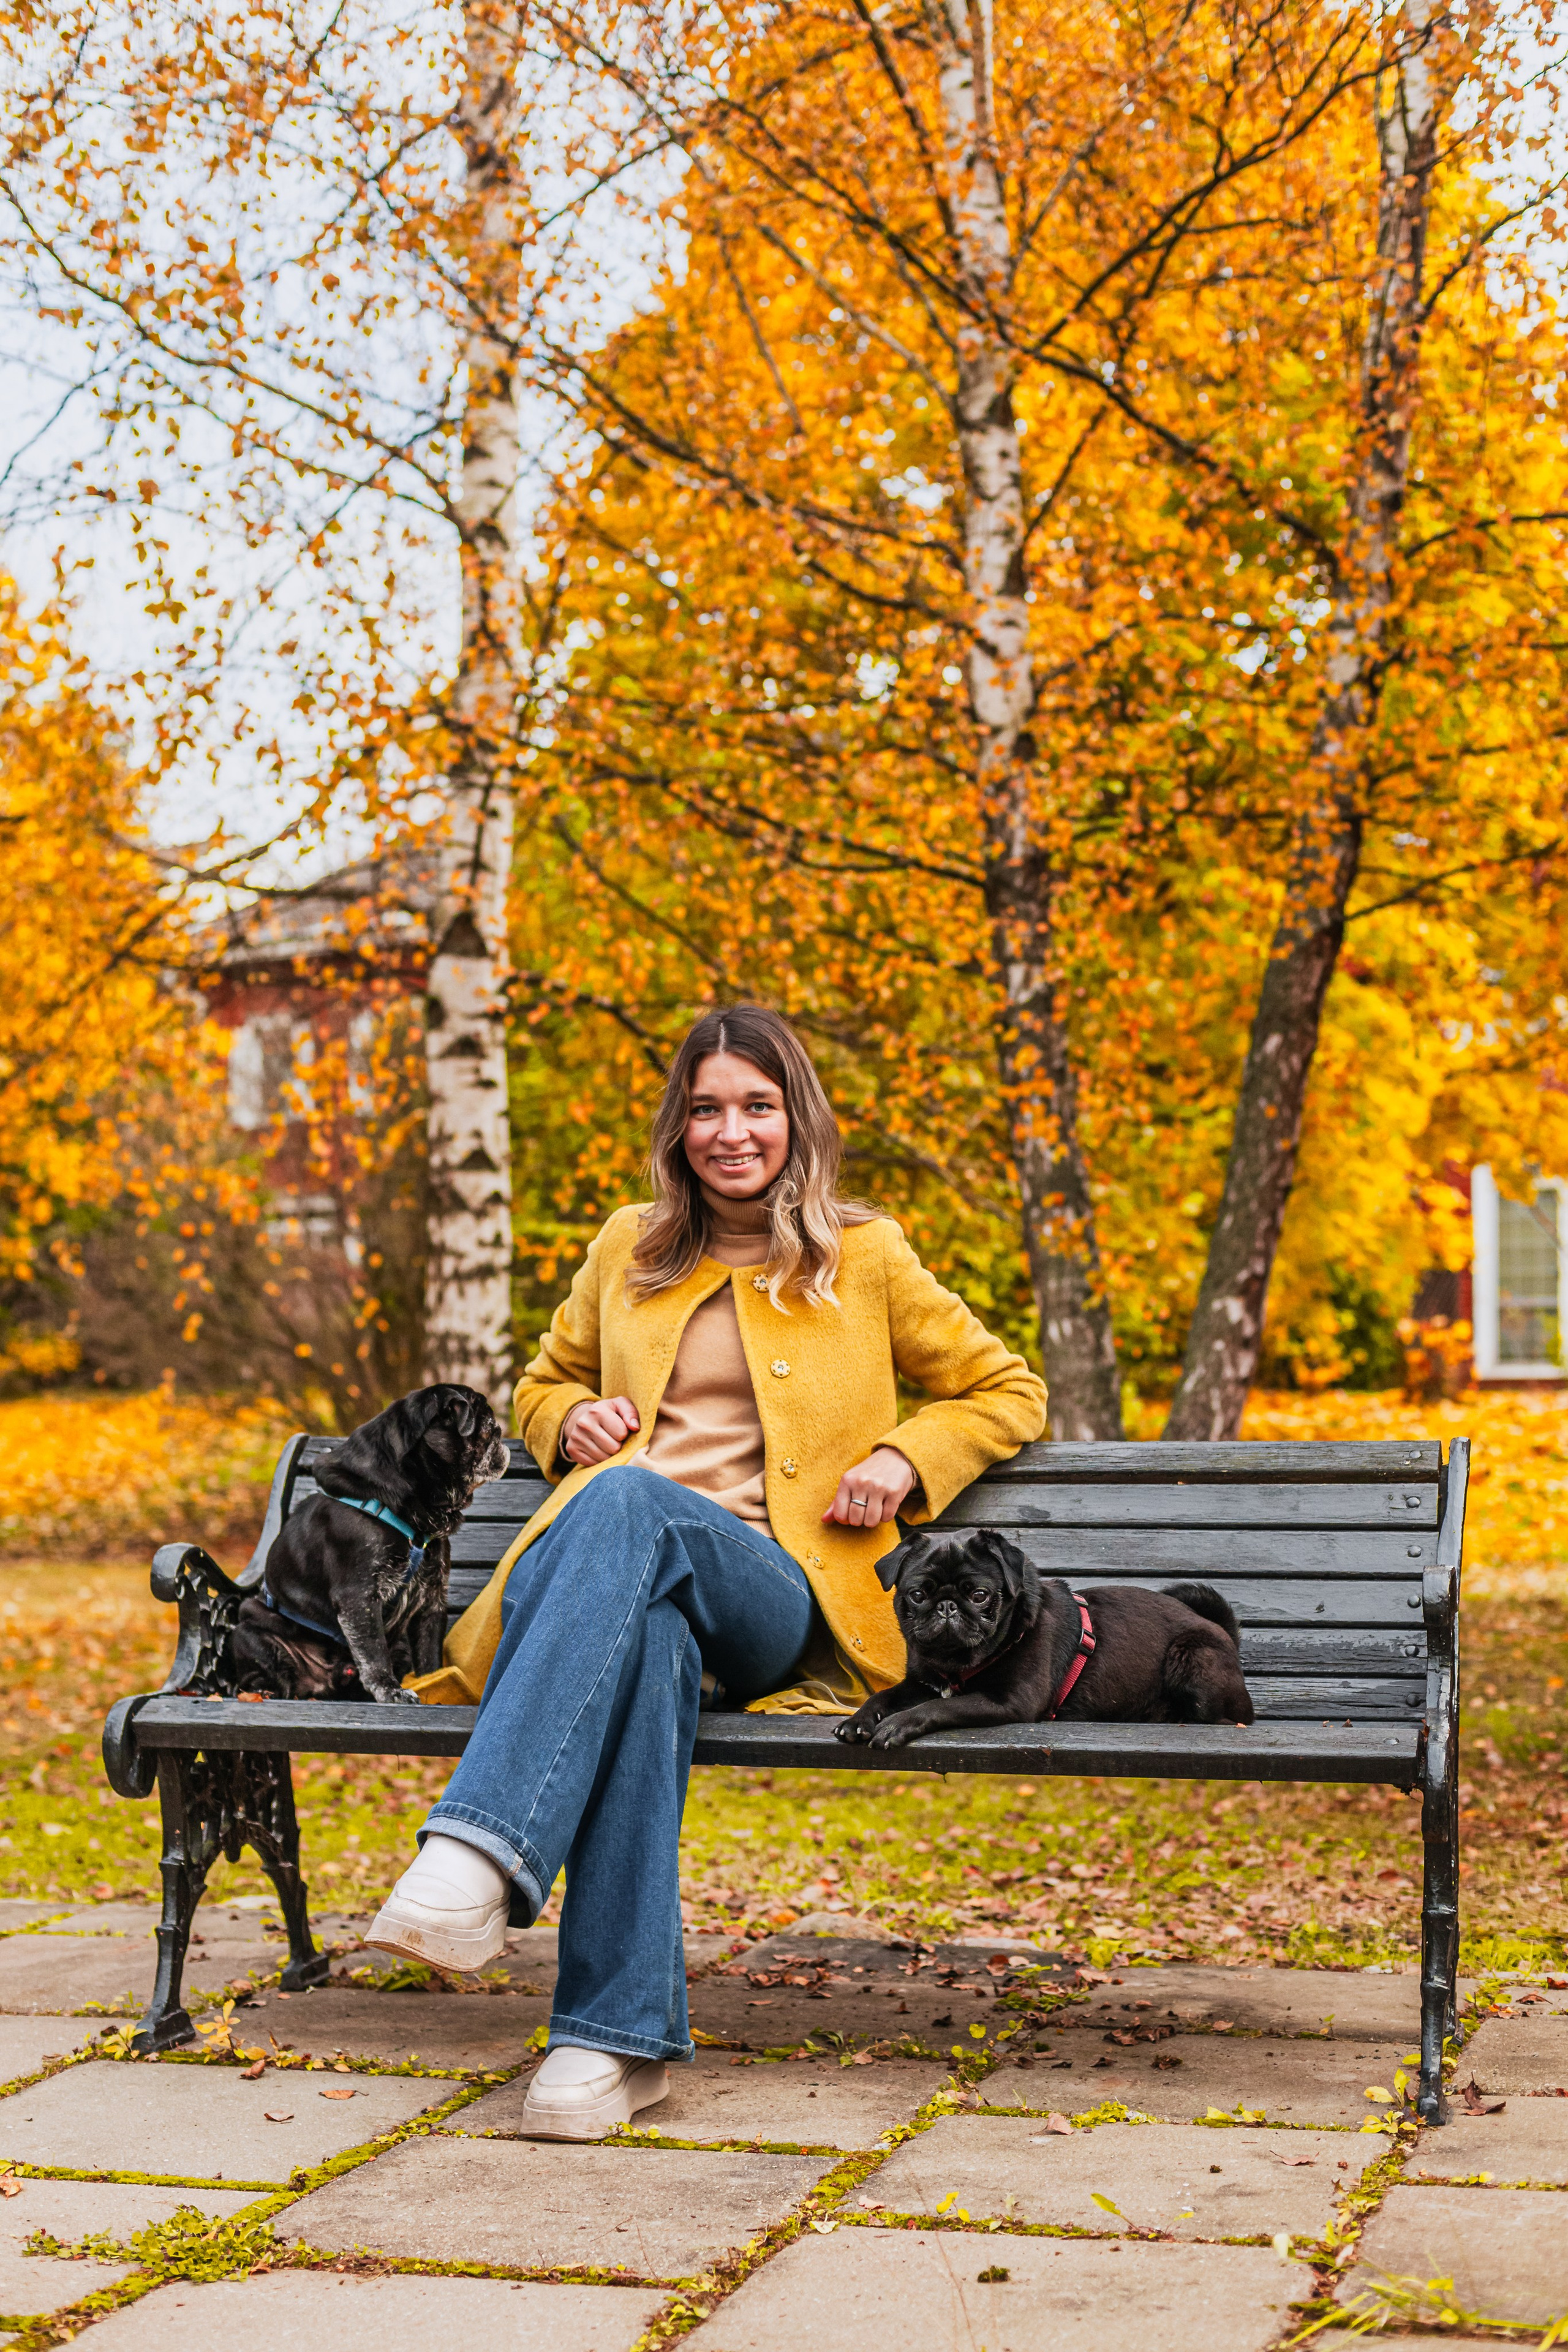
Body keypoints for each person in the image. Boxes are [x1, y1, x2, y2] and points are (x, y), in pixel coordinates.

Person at [369, 1005, 1047, 2136]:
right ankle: (611, 2043)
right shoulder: (627, 1246)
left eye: (756, 1107)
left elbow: (1006, 1386)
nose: (732, 1133)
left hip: (771, 1597)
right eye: (706, 1110)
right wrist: (569, 1415)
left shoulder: (865, 1254)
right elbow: (541, 1381)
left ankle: (475, 1850)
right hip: (598, 1590)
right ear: (677, 1128)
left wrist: (903, 1454)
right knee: (645, 1639)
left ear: (797, 1118)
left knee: (641, 1506)